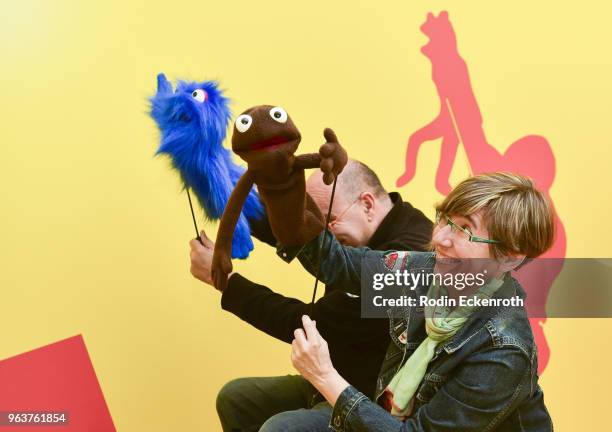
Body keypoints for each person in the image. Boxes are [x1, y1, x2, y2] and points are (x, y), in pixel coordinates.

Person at [288, 172, 555, 431]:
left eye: (464, 230)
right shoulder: (427, 272)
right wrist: (281, 186)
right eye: (445, 219)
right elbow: (342, 265)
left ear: (509, 257)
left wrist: (325, 376)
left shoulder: (504, 350)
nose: (439, 238)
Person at [189, 160, 433, 431]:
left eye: (329, 221)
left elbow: (314, 324)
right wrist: (232, 198)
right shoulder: (385, 222)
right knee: (237, 398)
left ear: (367, 204)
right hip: (336, 376)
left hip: (365, 400)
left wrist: (226, 283)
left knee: (280, 428)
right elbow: (307, 240)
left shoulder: (413, 257)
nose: (323, 237)